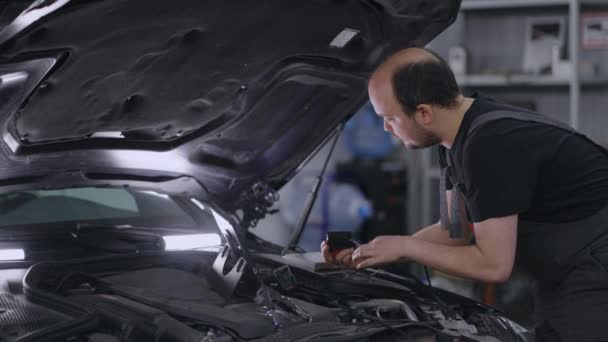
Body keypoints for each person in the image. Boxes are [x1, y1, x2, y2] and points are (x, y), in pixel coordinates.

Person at [321, 47, 608, 341]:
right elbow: (454, 230)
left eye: (390, 118)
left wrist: (406, 248)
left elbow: (494, 266)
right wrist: (371, 251)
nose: (385, 129)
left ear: (423, 113)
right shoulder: (455, 138)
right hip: (564, 267)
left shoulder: (487, 145)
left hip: (595, 262)